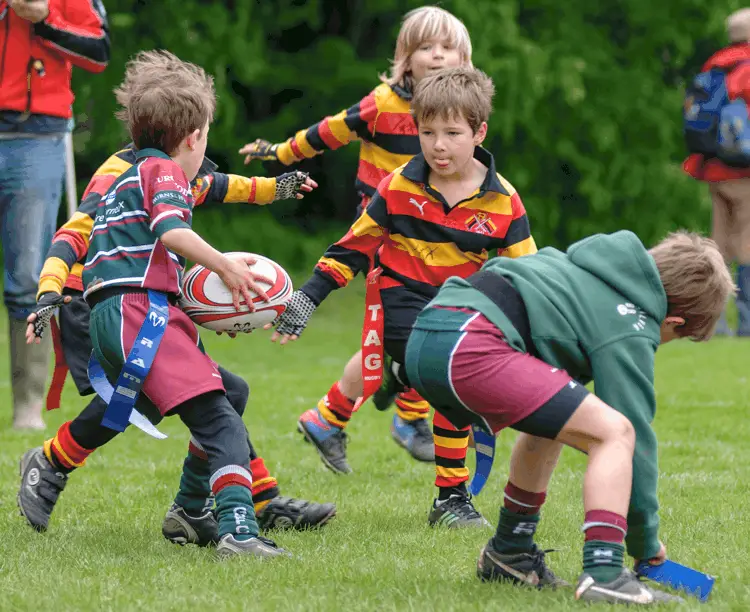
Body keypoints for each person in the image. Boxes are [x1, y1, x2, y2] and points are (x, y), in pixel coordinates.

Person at [22, 49, 296, 560]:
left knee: (218, 393)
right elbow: (171, 232)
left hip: (114, 314)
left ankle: (187, 510)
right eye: (206, 138)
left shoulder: (127, 174)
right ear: (193, 136)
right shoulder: (165, 171)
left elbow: (138, 251)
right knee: (218, 417)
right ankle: (238, 529)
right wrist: (223, 267)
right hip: (137, 316)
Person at [403, 230, 734, 603]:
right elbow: (634, 436)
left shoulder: (584, 272)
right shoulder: (630, 319)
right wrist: (645, 541)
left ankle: (510, 552)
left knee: (554, 424)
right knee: (615, 433)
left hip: (428, 333)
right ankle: (605, 573)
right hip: (470, 347)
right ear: (673, 320)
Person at [270, 67, 537, 528]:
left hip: (459, 306)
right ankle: (449, 490)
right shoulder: (398, 186)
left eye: (452, 133)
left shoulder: (504, 202)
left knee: (455, 385)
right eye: (427, 132)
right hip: (401, 295)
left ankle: (446, 494)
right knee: (438, 366)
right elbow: (351, 248)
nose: (438, 145)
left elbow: (528, 274)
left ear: (479, 132)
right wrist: (306, 299)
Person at [240, 6, 474, 471]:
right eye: (425, 47)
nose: (437, 56)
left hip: (431, 243)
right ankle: (388, 420)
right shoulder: (383, 104)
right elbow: (329, 131)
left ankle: (340, 419)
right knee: (404, 336)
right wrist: (281, 153)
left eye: (447, 48)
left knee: (404, 335)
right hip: (382, 236)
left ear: (464, 59)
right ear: (405, 58)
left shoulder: (461, 113)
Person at [0, 0, 109, 429]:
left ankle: (27, 406)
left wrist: (45, 18)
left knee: (29, 276)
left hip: (36, 136)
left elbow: (98, 52)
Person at [684, 7, 750, 337]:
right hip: (745, 171)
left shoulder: (715, 66)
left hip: (714, 170)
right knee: (748, 241)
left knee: (719, 241)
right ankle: (748, 323)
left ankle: (715, 320)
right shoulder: (748, 68)